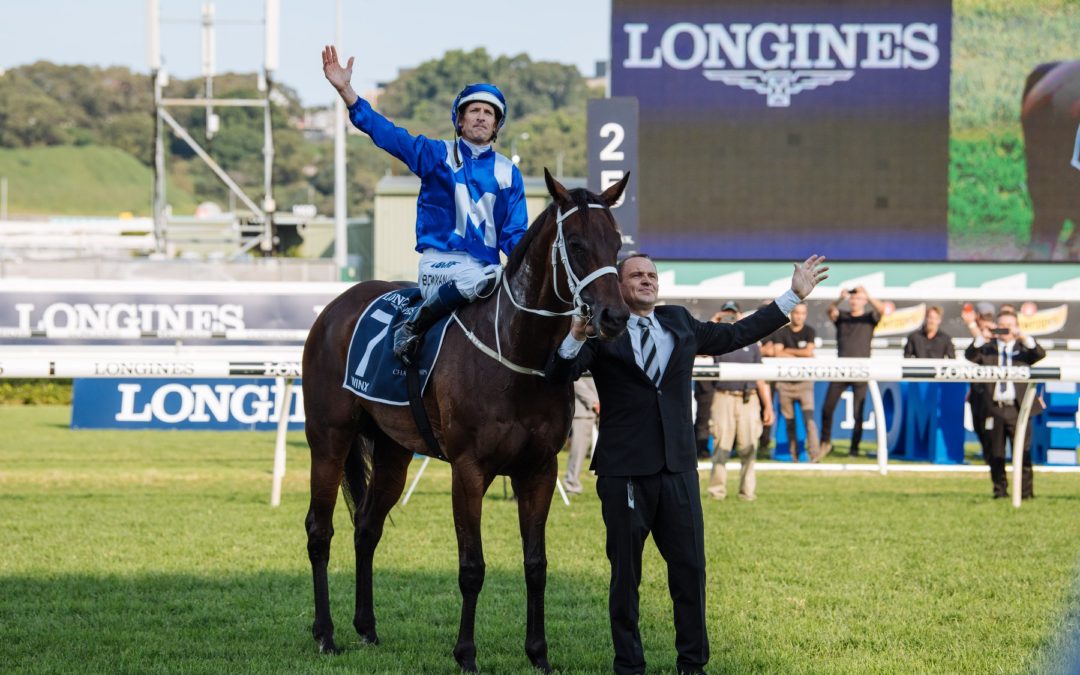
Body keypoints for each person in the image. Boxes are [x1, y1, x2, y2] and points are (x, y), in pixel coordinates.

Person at [546, 253, 828, 675]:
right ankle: (629, 665)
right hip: (624, 471)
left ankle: (692, 665)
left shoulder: (679, 321)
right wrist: (575, 336)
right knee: (626, 577)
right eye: (636, 275)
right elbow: (557, 374)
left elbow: (737, 334)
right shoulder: (603, 330)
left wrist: (791, 297)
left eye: (651, 275)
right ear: (619, 286)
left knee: (691, 570)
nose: (646, 280)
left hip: (678, 469)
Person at [321, 45, 528, 361]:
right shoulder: (435, 154)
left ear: (497, 126)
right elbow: (388, 134)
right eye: (474, 110)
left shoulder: (509, 173)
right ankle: (413, 324)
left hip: (488, 271)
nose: (482, 117)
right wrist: (348, 92)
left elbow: (515, 235)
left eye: (489, 113)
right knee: (482, 279)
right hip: (441, 265)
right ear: (459, 121)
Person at [963, 309, 1045, 499]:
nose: (1006, 329)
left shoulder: (1023, 348)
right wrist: (982, 337)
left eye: (1010, 325)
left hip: (1019, 409)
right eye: (1002, 325)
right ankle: (1000, 491)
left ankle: (1026, 493)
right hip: (994, 408)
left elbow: (1039, 353)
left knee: (1023, 452)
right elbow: (970, 356)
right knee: (995, 453)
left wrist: (1022, 336)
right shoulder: (988, 347)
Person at [706, 302, 773, 501]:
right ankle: (716, 491)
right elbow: (697, 347)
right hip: (723, 396)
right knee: (720, 446)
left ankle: (747, 492)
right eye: (727, 314)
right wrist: (714, 322)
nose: (731, 317)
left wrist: (767, 405)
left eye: (733, 314)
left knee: (749, 446)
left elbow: (760, 377)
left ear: (741, 315)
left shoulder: (752, 342)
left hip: (748, 397)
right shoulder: (716, 339)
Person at [819, 286, 884, 458]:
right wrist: (839, 298)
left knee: (858, 413)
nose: (854, 301)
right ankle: (825, 443)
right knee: (827, 408)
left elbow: (882, 310)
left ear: (864, 301)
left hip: (861, 371)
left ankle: (854, 449)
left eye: (858, 298)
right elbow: (830, 310)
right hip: (841, 369)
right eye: (852, 298)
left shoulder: (869, 318)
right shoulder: (842, 316)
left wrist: (867, 294)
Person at [770, 302, 820, 462]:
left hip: (804, 383)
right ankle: (794, 456)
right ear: (791, 314)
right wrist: (802, 355)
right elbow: (777, 353)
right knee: (789, 422)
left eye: (803, 313)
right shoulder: (781, 332)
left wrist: (788, 351)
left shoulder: (810, 331)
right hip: (785, 383)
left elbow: (808, 352)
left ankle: (814, 455)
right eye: (797, 313)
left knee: (809, 421)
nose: (799, 316)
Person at [564, 377, 600, 494]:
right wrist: (594, 401)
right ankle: (572, 485)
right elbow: (575, 379)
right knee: (578, 450)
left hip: (608, 405)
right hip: (583, 409)